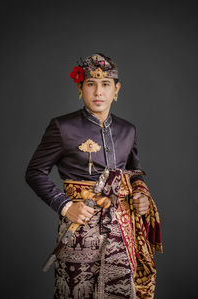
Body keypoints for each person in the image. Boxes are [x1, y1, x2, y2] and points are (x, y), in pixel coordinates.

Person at [25, 53, 162, 299]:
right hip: (80, 227)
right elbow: (35, 172)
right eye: (91, 84)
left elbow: (135, 173)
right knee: (77, 290)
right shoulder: (62, 127)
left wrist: (141, 195)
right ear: (81, 87)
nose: (98, 92)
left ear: (116, 89)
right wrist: (65, 206)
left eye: (106, 84)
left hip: (122, 226)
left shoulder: (127, 129)